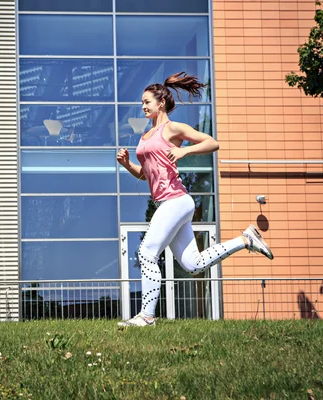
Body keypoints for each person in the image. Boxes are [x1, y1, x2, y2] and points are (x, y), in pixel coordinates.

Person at [116, 71, 273, 327]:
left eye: (147, 102)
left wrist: (184, 150)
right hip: (168, 203)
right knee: (194, 264)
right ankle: (245, 239)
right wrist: (127, 164)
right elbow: (146, 175)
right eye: (142, 103)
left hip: (176, 201)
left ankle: (146, 316)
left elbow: (212, 142)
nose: (143, 106)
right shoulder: (146, 136)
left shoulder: (172, 128)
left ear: (161, 103)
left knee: (147, 253)